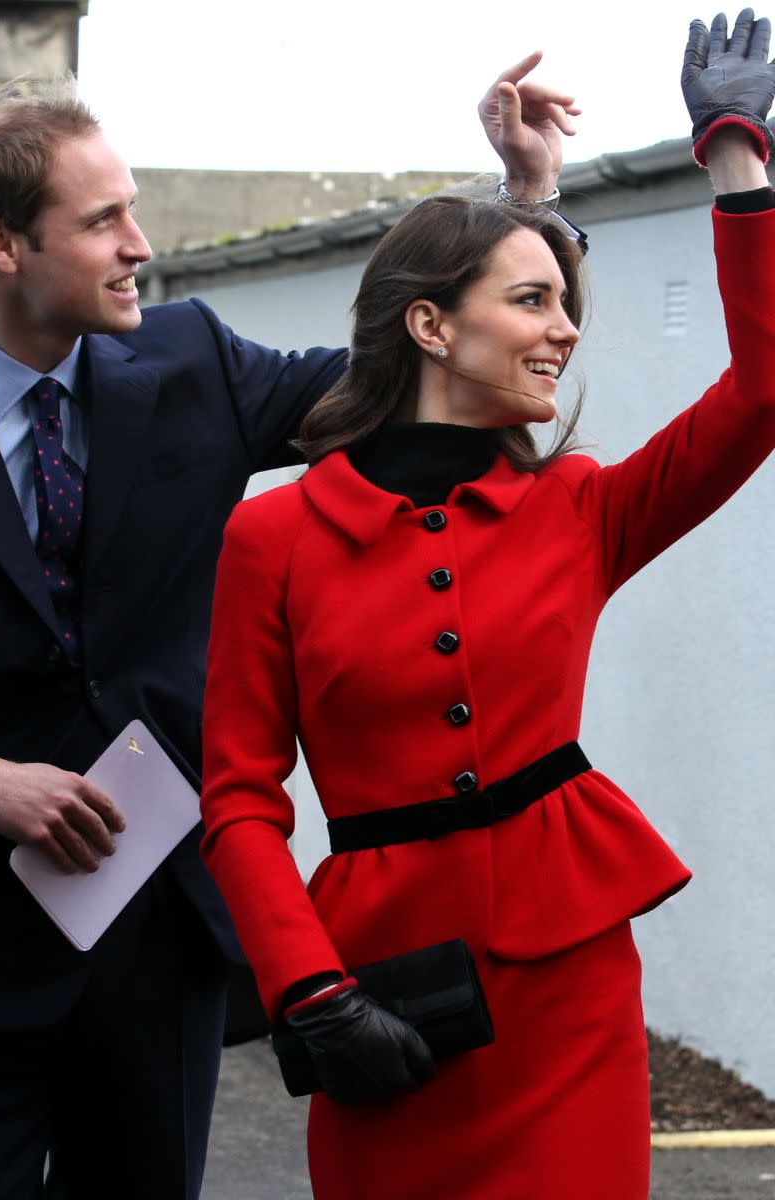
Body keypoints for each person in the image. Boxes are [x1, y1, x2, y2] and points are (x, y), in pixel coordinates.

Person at [0, 53, 574, 1200]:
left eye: (135, 210)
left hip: (155, 932)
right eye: (103, 221)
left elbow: (403, 374)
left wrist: (524, 209)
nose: (140, 244)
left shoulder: (190, 358)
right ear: (6, 246)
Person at [200, 10, 775, 1199]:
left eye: (561, 301)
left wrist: (732, 153)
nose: (565, 328)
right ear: (429, 325)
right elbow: (241, 800)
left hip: (570, 990)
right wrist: (306, 989)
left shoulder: (579, 507)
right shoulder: (272, 537)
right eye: (531, 302)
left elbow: (763, 388)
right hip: (379, 995)